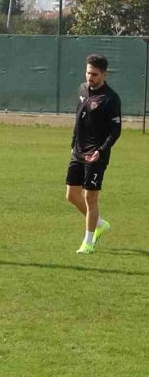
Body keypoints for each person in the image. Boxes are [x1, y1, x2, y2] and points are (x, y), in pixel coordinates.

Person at [66, 53, 122, 254]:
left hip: (96, 155)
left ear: (104, 75)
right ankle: (99, 224)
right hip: (78, 151)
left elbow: (116, 131)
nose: (90, 78)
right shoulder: (82, 89)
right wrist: (73, 143)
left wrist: (100, 151)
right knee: (71, 195)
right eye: (88, 73)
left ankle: (88, 242)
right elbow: (78, 119)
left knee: (90, 197)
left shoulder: (111, 98)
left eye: (95, 74)